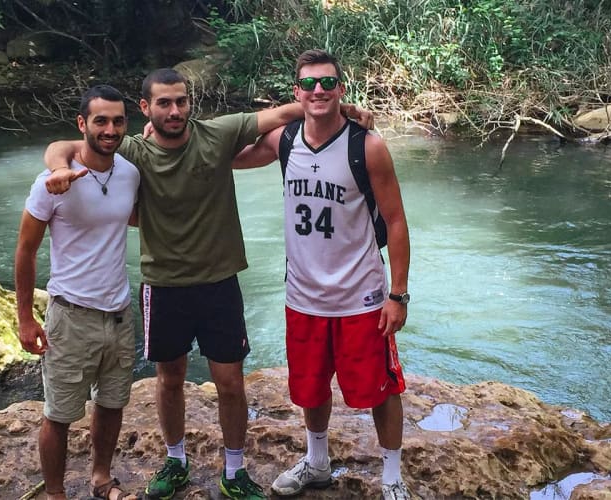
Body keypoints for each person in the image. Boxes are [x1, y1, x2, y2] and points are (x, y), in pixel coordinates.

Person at [42, 68, 373, 500]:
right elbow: (65, 145)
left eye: (181, 101)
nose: (174, 110)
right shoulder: (134, 151)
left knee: (231, 381)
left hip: (219, 281)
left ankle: (234, 470)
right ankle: (176, 460)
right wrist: (56, 168)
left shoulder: (217, 134)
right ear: (146, 109)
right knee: (170, 379)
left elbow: (282, 114)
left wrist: (341, 108)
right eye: (164, 103)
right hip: (163, 284)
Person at [233, 49, 413, 500]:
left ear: (342, 88)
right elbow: (226, 151)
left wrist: (399, 295)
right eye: (309, 84)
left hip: (362, 297)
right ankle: (316, 463)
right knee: (311, 388)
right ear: (296, 92)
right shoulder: (285, 140)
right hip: (304, 295)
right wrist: (166, 136)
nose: (319, 91)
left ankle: (392, 477)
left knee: (381, 388)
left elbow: (396, 221)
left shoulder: (366, 145)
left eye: (328, 83)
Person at [14, 84, 140, 500]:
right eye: (100, 121)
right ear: (82, 124)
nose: (110, 129)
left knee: (112, 404)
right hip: (70, 315)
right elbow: (26, 250)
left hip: (120, 312)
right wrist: (26, 318)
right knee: (60, 413)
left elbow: (136, 217)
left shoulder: (129, 173)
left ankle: (102, 478)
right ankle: (55, 493)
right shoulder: (51, 182)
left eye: (118, 121)